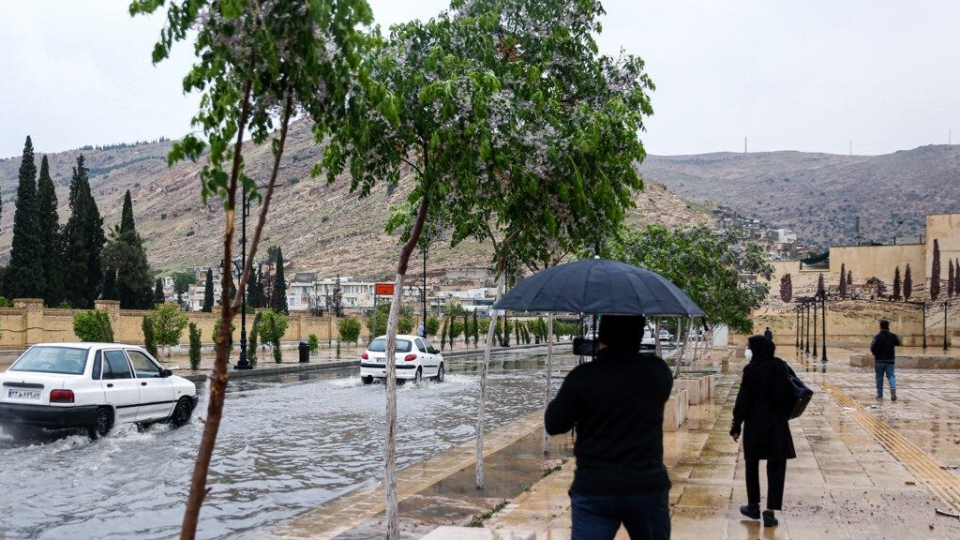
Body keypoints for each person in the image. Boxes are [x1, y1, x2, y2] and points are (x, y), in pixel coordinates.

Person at [545, 314, 673, 540]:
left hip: (595, 488)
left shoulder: (582, 377)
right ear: (639, 335)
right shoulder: (657, 371)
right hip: (646, 486)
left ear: (601, 336)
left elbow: (554, 424)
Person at [730, 335, 796, 528]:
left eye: (750, 347)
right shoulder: (780, 366)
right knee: (776, 466)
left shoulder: (751, 370)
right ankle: (770, 511)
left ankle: (753, 505)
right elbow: (791, 391)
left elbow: (743, 399)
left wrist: (736, 424)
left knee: (752, 464)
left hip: (756, 424)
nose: (749, 350)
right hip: (777, 424)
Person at [871, 319, 902, 401]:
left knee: (879, 377)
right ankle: (893, 388)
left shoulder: (877, 337)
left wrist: (875, 354)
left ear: (880, 327)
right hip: (890, 360)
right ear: (888, 327)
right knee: (891, 376)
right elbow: (899, 343)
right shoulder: (893, 336)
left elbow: (872, 347)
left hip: (879, 360)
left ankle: (880, 395)